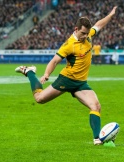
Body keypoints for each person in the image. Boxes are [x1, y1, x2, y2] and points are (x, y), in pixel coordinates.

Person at [15, 6, 118, 146]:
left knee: (96, 106)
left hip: (81, 83)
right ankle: (30, 72)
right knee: (39, 98)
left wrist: (111, 14)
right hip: (66, 80)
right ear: (76, 29)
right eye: (82, 33)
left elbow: (99, 24)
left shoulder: (88, 36)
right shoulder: (69, 45)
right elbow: (55, 61)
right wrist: (46, 74)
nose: (85, 36)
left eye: (87, 33)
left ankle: (97, 139)